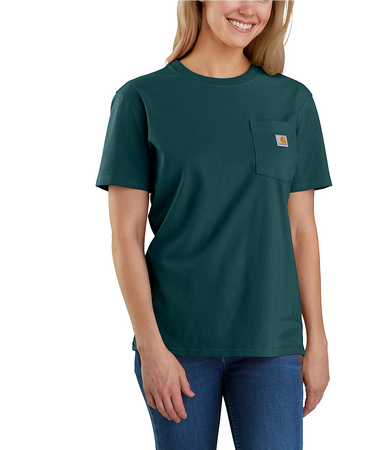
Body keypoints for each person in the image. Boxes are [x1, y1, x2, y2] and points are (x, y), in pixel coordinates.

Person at [95, 0, 332, 448]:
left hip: (271, 343)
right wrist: (151, 346)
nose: (250, 8)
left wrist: (316, 338)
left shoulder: (292, 101)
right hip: (176, 344)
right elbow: (125, 237)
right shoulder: (141, 99)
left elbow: (302, 231)